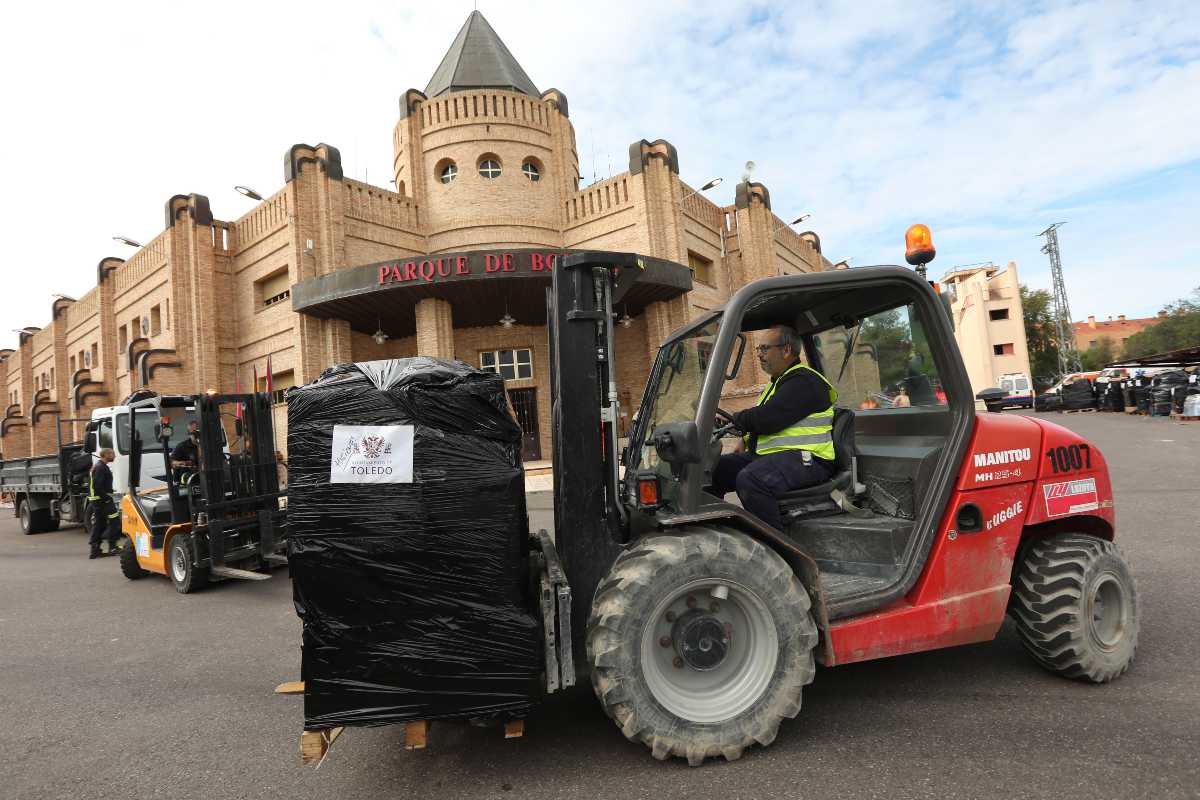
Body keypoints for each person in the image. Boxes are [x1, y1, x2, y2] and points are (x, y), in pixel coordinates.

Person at [712, 324, 838, 530]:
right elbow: (769, 420)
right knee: (714, 470)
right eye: (758, 349)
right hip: (779, 456)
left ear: (786, 350)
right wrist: (742, 440)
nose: (759, 355)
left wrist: (734, 420)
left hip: (810, 459)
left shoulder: (804, 380)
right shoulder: (779, 383)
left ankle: (779, 549)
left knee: (752, 479)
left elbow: (769, 418)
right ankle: (715, 530)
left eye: (764, 349)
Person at [87, 448, 121, 559]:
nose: (114, 456)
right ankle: (112, 546)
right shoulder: (101, 467)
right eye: (112, 454)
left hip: (99, 500)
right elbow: (97, 486)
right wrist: (106, 497)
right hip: (102, 501)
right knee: (114, 521)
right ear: (106, 454)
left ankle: (95, 549)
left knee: (100, 524)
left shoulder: (100, 466)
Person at [170, 421, 201, 487]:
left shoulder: (207, 445)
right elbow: (172, 462)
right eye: (194, 433)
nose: (197, 435)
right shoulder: (182, 446)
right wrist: (184, 463)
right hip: (187, 482)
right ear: (189, 434)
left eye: (198, 432)